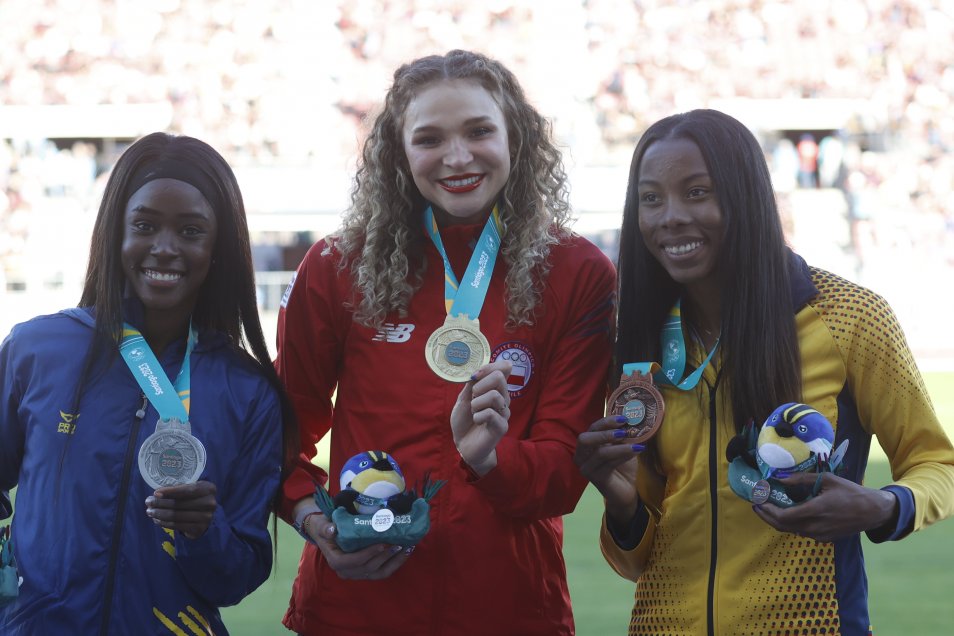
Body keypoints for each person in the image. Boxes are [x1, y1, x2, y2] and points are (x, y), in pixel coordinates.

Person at [574, 109, 954, 635]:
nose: (671, 217)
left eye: (697, 192)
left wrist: (885, 505)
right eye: (651, 198)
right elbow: (634, 561)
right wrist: (620, 504)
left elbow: (939, 463)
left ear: (746, 196)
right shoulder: (641, 343)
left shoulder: (849, 318)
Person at [276, 49, 615, 635]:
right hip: (355, 608)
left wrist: (487, 457)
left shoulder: (577, 272)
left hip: (508, 609)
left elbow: (563, 473)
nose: (458, 157)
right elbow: (279, 432)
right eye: (429, 138)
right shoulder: (336, 266)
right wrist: (315, 523)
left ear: (517, 136)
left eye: (480, 130)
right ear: (398, 153)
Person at [0, 132, 296, 634]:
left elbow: (238, 577)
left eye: (190, 230)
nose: (163, 248)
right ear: (115, 233)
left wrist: (203, 531)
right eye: (144, 225)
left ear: (218, 246)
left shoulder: (247, 391)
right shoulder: (36, 349)